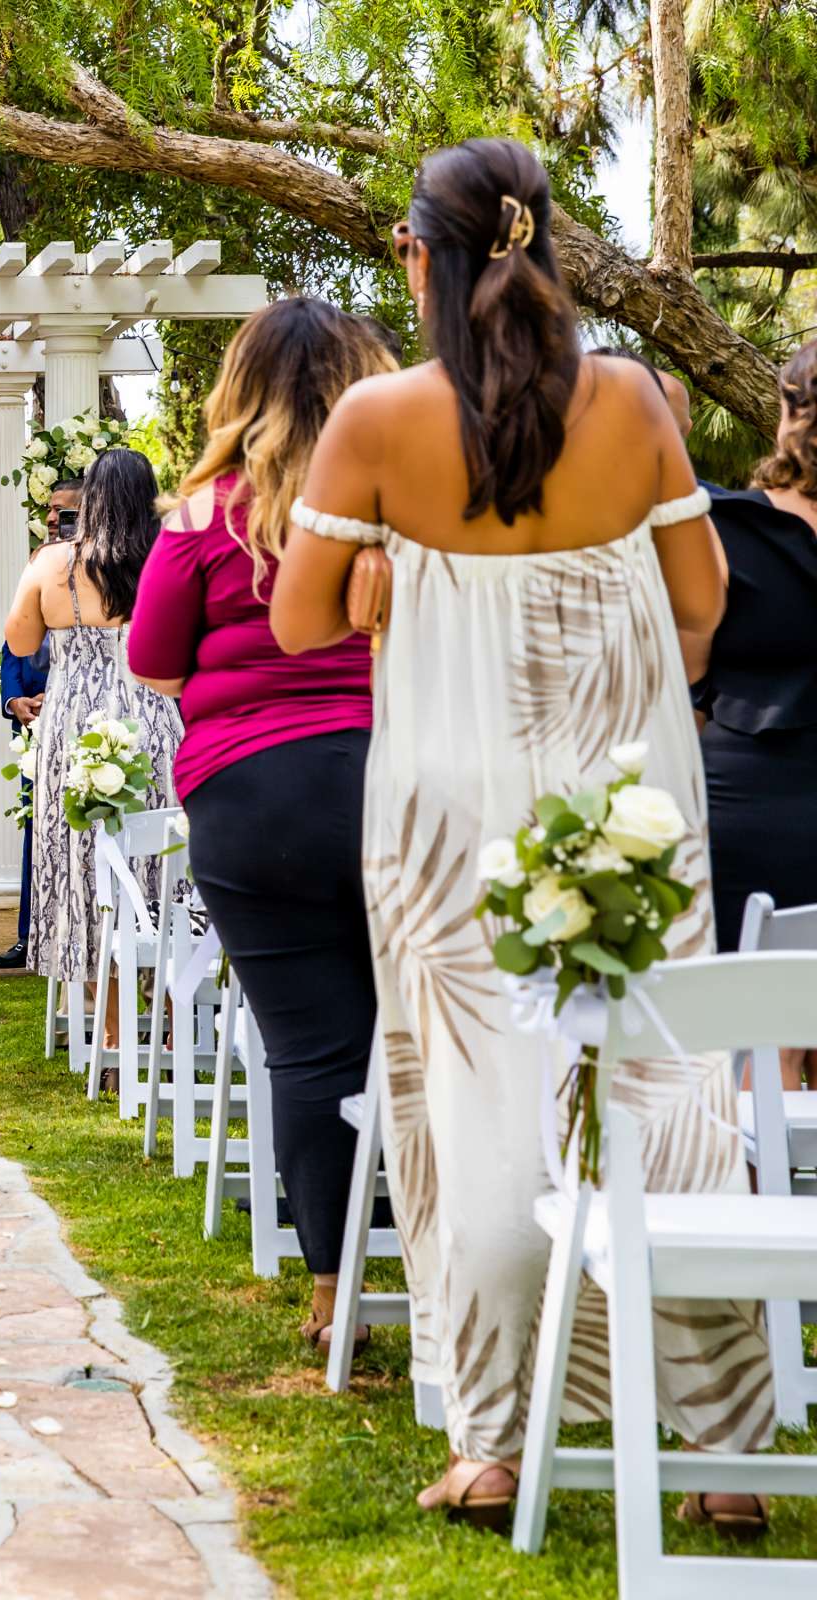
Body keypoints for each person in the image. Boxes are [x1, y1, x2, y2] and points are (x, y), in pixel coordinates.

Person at [274, 136, 771, 1529]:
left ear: (417, 258)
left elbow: (301, 623)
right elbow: (705, 602)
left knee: (477, 1111)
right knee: (666, 1098)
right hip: (627, 795)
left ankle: (495, 1443)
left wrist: (386, 571)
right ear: (545, 245)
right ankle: (725, 1456)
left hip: (443, 807)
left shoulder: (374, 422)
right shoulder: (634, 400)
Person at [126, 297, 398, 1349]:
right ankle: (441, 1258)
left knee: (309, 1049)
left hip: (250, 794)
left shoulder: (202, 518)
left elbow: (152, 659)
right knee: (412, 1035)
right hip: (393, 775)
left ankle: (333, 1293)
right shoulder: (400, 502)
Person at [5, 447, 182, 1035]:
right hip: (153, 716)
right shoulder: (170, 559)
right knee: (161, 863)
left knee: (87, 866)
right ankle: (170, 1018)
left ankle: (109, 1029)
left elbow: (22, 641)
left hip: (75, 728)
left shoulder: (53, 563)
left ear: (91, 501)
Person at [691, 340, 817, 1091]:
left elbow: (689, 668)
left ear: (786, 415)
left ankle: (754, 1202)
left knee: (754, 1054)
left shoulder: (724, 528)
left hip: (746, 813)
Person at [0, 479, 78, 971]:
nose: (51, 521)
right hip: (32, 724)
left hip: (79, 714)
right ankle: (31, 935)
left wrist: (59, 694)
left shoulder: (101, 570)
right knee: (34, 829)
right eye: (49, 513)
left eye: (63, 514)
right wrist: (13, 700)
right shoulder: (36, 565)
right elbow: (11, 648)